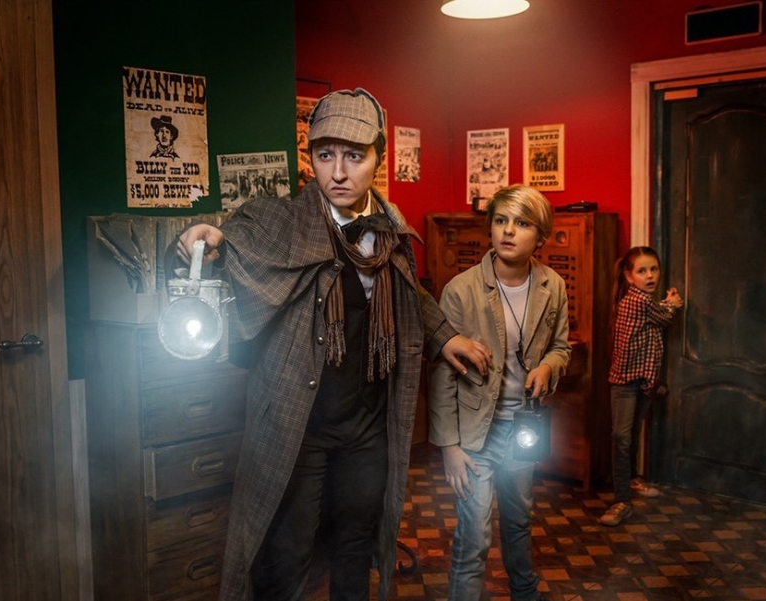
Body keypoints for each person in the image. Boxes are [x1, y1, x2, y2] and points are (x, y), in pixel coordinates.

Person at [177, 87, 493, 601]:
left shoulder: (388, 231)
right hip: (300, 425)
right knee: (287, 554)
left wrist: (446, 334)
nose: (339, 173)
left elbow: (407, 292)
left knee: (355, 544)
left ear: (378, 158)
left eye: (354, 156)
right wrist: (204, 236)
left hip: (367, 425)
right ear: (311, 159)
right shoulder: (282, 223)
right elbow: (229, 240)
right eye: (325, 156)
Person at [428, 185, 571, 601]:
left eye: (522, 223)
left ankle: (525, 594)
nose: (508, 231)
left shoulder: (553, 285)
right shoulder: (461, 289)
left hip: (522, 427)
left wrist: (548, 366)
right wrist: (449, 446)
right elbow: (442, 374)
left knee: (519, 518)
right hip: (474, 434)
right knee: (474, 534)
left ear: (540, 237)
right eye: (501, 220)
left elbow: (561, 348)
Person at [598, 246, 683, 527]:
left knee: (632, 433)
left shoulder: (645, 301)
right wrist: (672, 302)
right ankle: (621, 501)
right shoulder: (638, 301)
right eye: (642, 271)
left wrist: (665, 303)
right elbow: (664, 316)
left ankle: (632, 480)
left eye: (654, 269)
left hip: (643, 380)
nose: (650, 276)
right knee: (621, 438)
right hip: (625, 383)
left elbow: (657, 316)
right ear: (629, 275)